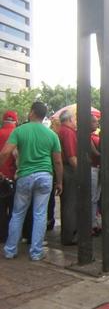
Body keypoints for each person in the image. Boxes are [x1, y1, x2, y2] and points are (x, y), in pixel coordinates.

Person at [0, 102, 63, 261]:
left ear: (32, 112)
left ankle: (10, 250)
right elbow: (58, 162)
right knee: (40, 214)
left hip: (25, 176)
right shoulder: (51, 135)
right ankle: (36, 252)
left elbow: (5, 152)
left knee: (18, 213)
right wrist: (60, 181)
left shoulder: (20, 131)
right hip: (45, 176)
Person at [58, 110, 78, 245]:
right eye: (74, 119)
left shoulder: (61, 131)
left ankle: (67, 234)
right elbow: (72, 157)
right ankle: (69, 236)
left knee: (66, 203)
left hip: (64, 169)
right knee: (70, 203)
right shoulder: (68, 132)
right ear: (70, 119)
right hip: (69, 170)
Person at [0, 111, 18, 243]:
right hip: (13, 176)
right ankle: (13, 236)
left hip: (1, 175)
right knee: (14, 209)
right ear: (15, 121)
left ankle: (2, 235)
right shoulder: (17, 134)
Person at [90, 114, 101, 236]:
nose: (97, 124)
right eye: (94, 122)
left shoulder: (94, 136)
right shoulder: (87, 137)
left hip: (97, 169)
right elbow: (96, 153)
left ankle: (94, 222)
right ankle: (92, 224)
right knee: (93, 198)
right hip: (92, 169)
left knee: (95, 198)